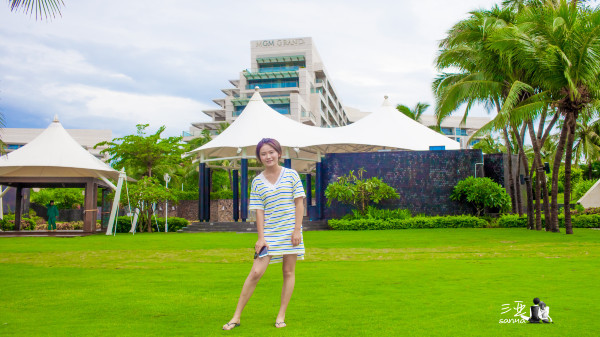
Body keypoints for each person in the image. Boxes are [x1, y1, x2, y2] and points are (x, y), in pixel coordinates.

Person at [222, 138, 306, 330]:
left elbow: (299, 204)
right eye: (263, 153)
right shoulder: (257, 182)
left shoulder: (292, 175)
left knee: (288, 272)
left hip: (290, 232)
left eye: (271, 152)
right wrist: (261, 237)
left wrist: (296, 230)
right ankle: (236, 317)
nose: (268, 156)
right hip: (269, 233)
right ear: (259, 157)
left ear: (279, 153)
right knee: (256, 272)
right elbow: (259, 211)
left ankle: (281, 315)